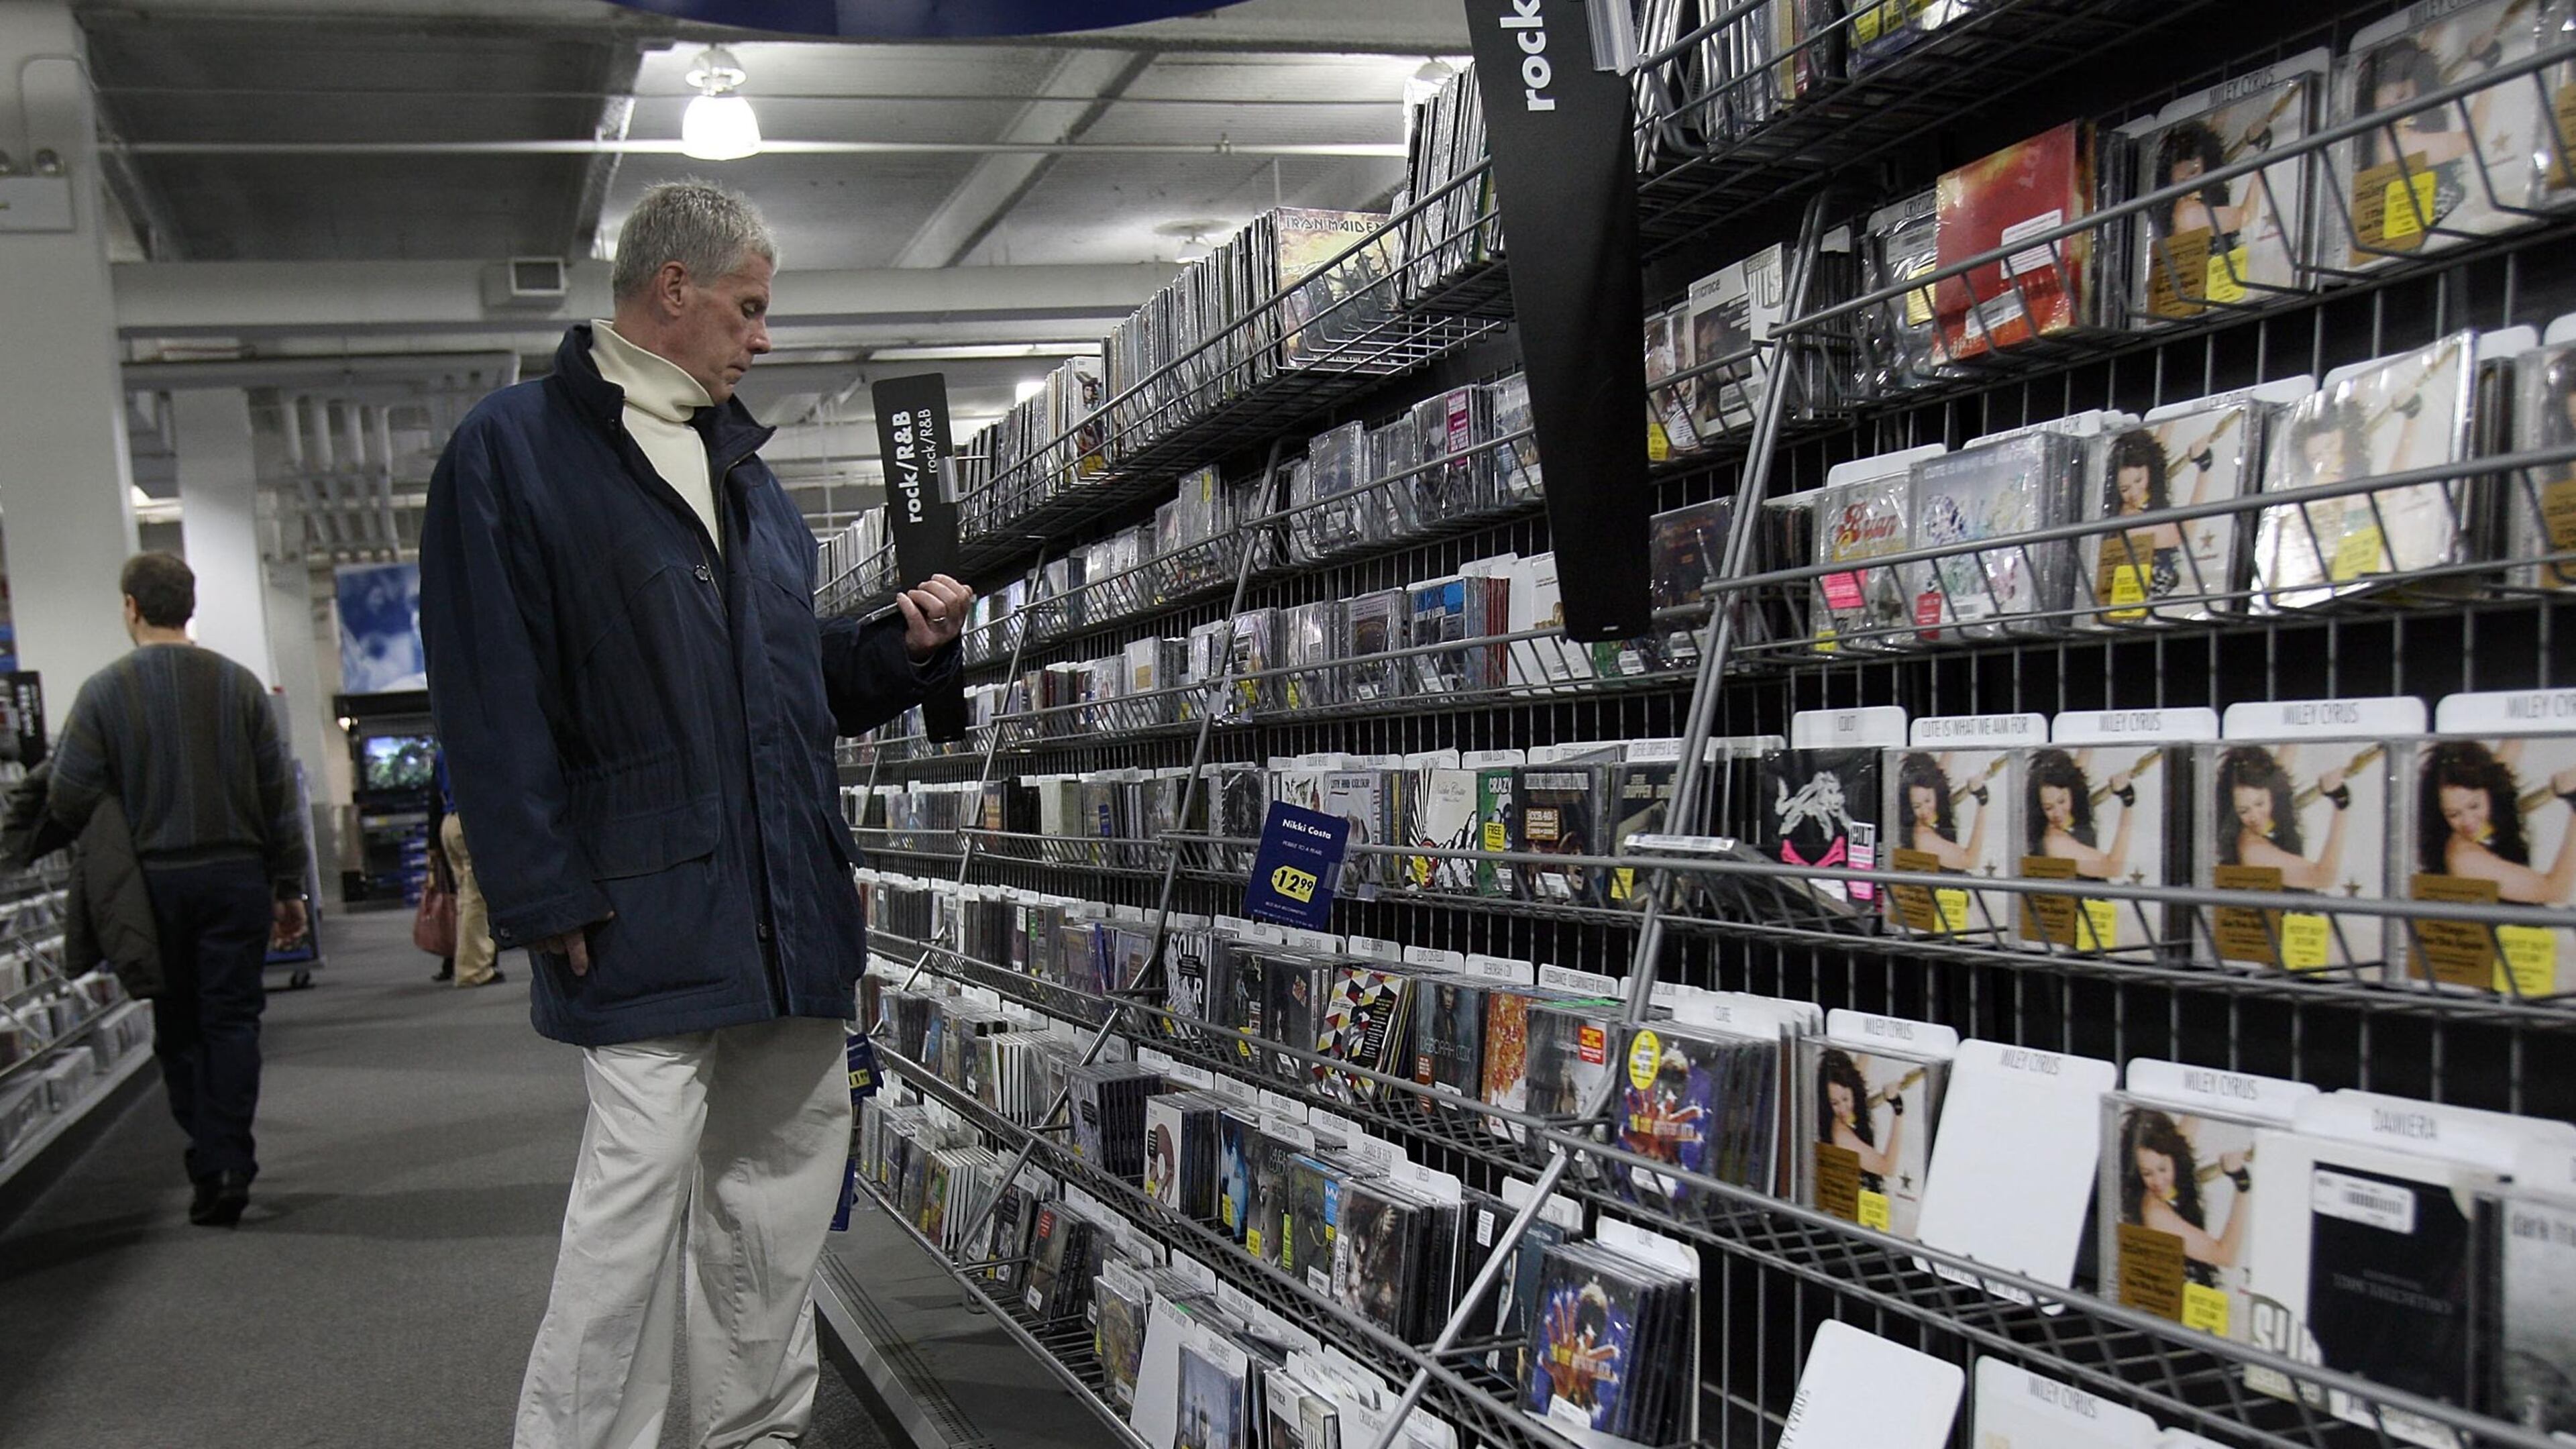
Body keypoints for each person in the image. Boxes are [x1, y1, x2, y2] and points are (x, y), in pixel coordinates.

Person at [418, 180, 971, 1449]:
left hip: (789, 903)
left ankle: (754, 1437)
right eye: (750, 308)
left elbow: (794, 687)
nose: (764, 339)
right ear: (674, 289)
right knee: (630, 1215)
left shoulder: (747, 475)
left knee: (776, 1209)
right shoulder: (513, 451)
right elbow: (490, 696)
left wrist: (902, 646)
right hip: (638, 904)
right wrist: (540, 889)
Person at [46, 552, 309, 1228]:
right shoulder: (240, 687)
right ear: (189, 606)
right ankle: (230, 1160)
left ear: (130, 607)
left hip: (153, 882)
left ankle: (210, 1153)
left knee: (179, 1025)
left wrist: (119, 811)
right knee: (233, 1021)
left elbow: (68, 788)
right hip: (237, 877)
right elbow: (278, 796)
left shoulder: (104, 693)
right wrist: (287, 886)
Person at [2118, 1108, 2249, 1287]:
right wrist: (2242, 1184)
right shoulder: (2156, 1214)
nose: (2158, 1182)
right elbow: (2226, 1256)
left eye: (2162, 1169)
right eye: (2147, 1173)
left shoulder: (2172, 1152)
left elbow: (2193, 1112)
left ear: (2173, 1155)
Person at [431, 749, 501, 988]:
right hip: (470, 820)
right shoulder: (479, 743)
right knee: (477, 900)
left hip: (449, 822)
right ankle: (474, 969)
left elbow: (435, 794)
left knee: (465, 900)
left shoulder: (443, 751)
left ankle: (465, 962)